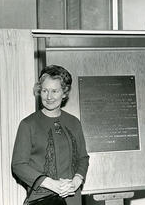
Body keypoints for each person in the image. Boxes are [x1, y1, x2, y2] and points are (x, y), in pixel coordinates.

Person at [12, 65, 89, 205]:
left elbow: (83, 157)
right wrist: (50, 183)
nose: (49, 97)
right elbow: (18, 164)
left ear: (64, 93)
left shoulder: (74, 122)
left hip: (73, 198)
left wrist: (77, 180)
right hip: (42, 199)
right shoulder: (28, 124)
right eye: (45, 90)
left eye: (54, 91)